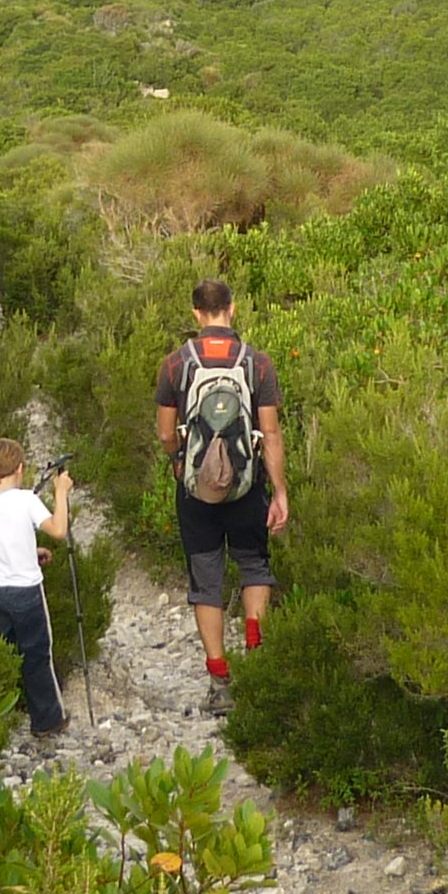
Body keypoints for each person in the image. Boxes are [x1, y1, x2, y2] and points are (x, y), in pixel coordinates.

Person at [153, 277, 287, 713]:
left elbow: (164, 432)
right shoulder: (257, 364)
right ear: (232, 308)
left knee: (206, 581)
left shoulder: (175, 364)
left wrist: (180, 463)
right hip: (248, 487)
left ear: (196, 313)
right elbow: (270, 432)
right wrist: (279, 490)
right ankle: (256, 658)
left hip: (197, 492)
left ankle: (219, 680)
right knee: (254, 568)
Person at [0, 437, 72, 736]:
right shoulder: (27, 500)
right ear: (19, 468)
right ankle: (47, 720)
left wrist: (31, 552)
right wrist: (61, 493)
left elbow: (0, 542)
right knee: (37, 655)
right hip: (27, 593)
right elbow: (58, 530)